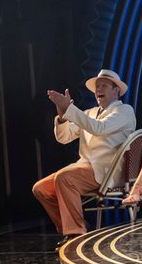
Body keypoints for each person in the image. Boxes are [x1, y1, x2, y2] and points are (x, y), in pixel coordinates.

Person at [33, 69, 136, 244]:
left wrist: (70, 110)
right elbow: (64, 138)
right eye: (97, 86)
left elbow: (99, 128)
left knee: (64, 178)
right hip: (85, 167)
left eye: (103, 85)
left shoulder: (125, 111)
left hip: (107, 171)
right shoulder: (89, 113)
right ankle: (74, 226)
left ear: (116, 90)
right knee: (40, 189)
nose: (98, 89)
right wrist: (62, 115)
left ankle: (75, 233)